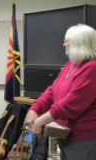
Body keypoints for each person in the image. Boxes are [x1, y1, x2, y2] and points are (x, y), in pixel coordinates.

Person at [25, 24, 96, 160]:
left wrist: (40, 121)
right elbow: (51, 91)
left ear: (79, 43)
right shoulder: (71, 65)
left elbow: (70, 104)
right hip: (65, 136)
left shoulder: (92, 68)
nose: (64, 44)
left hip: (83, 140)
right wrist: (34, 109)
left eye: (67, 41)